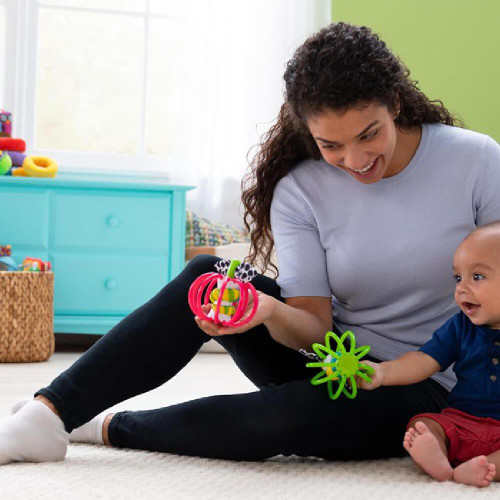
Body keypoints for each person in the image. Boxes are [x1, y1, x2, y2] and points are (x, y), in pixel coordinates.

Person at [2, 21, 500, 466]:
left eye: (369, 134)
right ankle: (51, 414)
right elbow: (315, 330)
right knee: (209, 274)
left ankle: (107, 425)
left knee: (281, 418)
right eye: (331, 145)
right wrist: (266, 311)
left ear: (394, 102)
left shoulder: (475, 162)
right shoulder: (301, 189)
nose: (354, 159)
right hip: (336, 359)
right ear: (309, 132)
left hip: (431, 385)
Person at [358, 223, 500, 487]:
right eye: (458, 278)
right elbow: (423, 361)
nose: (461, 288)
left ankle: (483, 467)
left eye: (477, 277)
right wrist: (382, 372)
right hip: (460, 422)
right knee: (422, 425)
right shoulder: (460, 326)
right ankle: (438, 457)